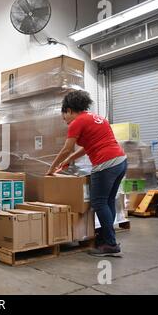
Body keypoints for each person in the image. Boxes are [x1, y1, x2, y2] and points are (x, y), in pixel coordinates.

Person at [47, 91, 127, 257]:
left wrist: (51, 169)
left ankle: (110, 244)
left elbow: (66, 148)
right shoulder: (97, 118)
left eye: (64, 117)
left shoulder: (76, 122)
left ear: (68, 110)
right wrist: (69, 160)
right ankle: (106, 238)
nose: (65, 121)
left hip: (105, 164)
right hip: (120, 161)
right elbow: (87, 147)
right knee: (108, 201)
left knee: (98, 203)